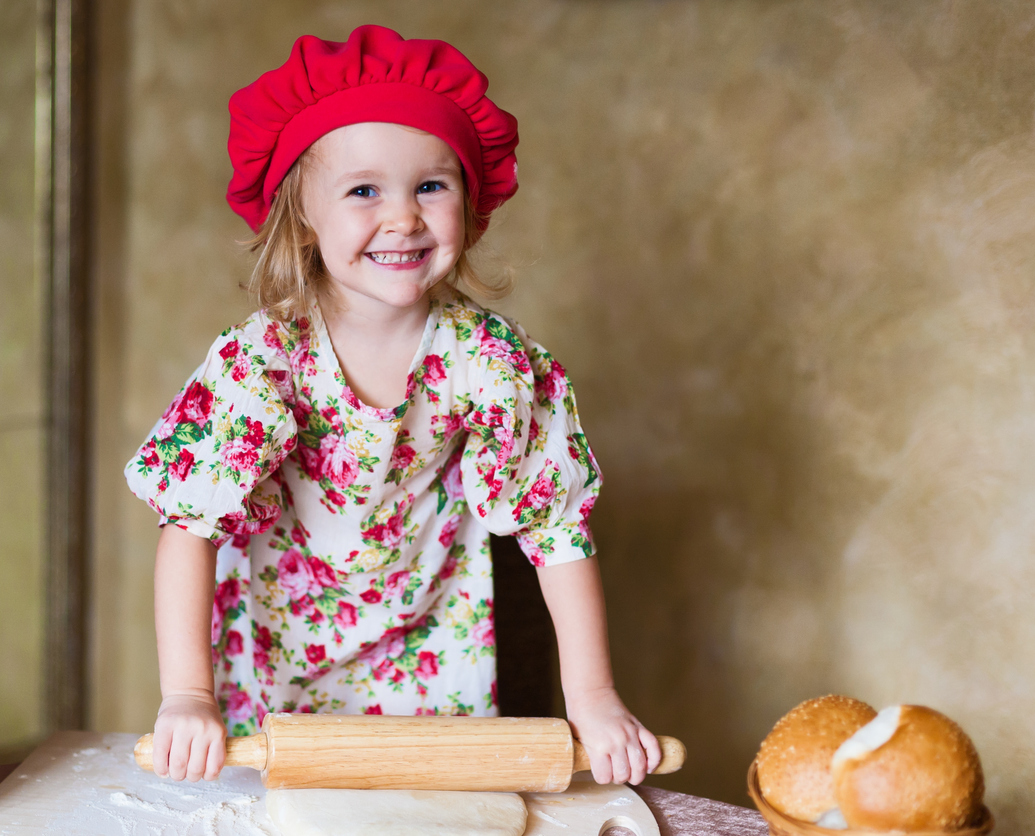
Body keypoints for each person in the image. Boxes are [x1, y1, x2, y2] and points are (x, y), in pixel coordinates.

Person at [125, 24, 662, 790]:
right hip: (276, 651)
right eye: (364, 190)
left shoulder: (492, 365)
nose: (404, 217)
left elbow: (556, 528)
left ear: (471, 206)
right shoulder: (261, 364)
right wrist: (187, 695)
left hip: (433, 650)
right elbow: (189, 526)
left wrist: (595, 700)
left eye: (431, 186)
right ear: (302, 212)